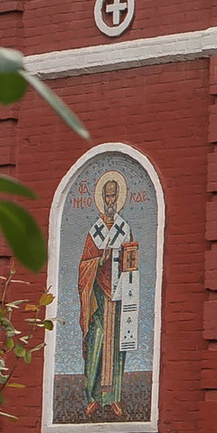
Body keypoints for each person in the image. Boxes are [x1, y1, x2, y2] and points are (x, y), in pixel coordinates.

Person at [77, 167, 141, 418]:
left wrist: (127, 261)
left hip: (119, 293)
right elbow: (84, 265)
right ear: (102, 198)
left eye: (115, 196)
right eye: (108, 196)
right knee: (97, 340)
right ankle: (92, 397)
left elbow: (132, 259)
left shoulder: (125, 228)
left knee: (116, 345)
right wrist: (99, 259)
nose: (111, 201)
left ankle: (113, 397)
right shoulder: (94, 231)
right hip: (98, 297)